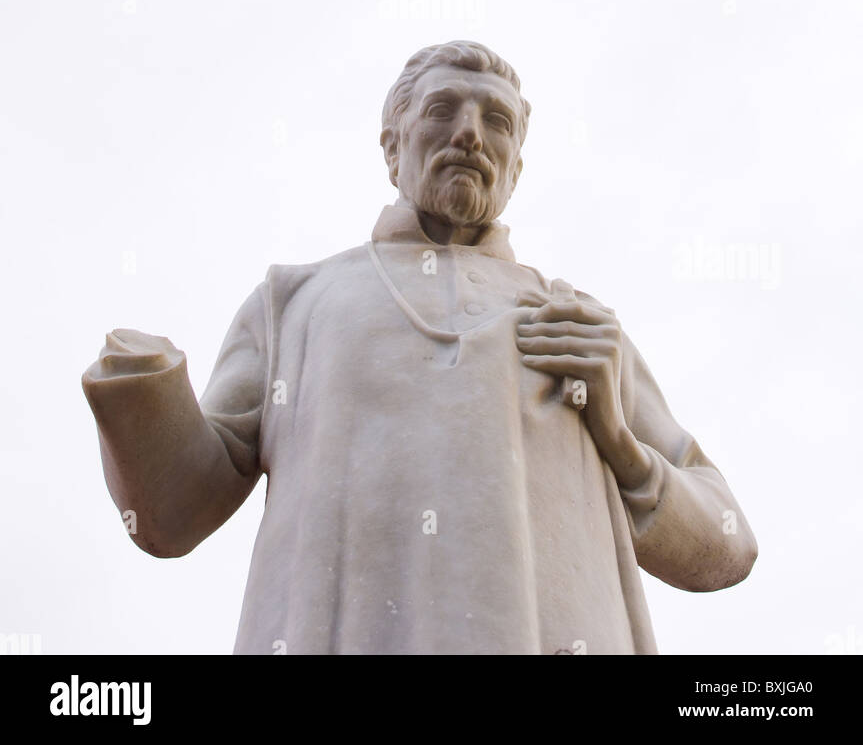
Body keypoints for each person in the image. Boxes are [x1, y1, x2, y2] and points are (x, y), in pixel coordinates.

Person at [82, 40, 756, 655]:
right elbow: (172, 515)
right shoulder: (294, 304)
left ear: (515, 166)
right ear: (391, 145)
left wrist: (619, 442)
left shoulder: (577, 324)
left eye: (496, 121)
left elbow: (727, 544)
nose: (469, 132)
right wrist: (143, 394)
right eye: (443, 109)